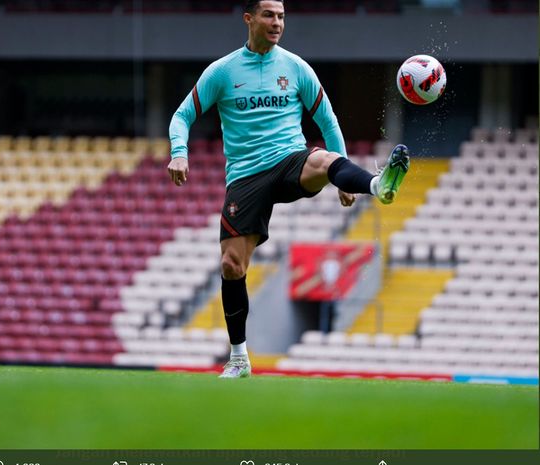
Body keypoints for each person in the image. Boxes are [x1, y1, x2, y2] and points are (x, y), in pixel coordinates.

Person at [167, 0, 409, 378]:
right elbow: (183, 115)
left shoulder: (296, 67)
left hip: (289, 160)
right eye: (268, 15)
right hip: (246, 176)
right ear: (249, 19)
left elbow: (327, 119)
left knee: (322, 159)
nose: (277, 22)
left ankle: (377, 184)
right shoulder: (223, 71)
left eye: (281, 16)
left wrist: (340, 177)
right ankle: (239, 358)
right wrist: (179, 153)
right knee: (232, 266)